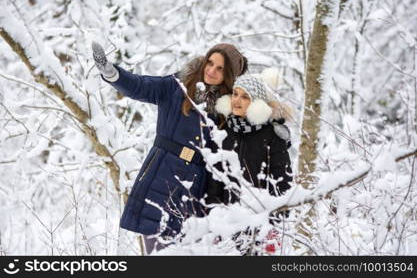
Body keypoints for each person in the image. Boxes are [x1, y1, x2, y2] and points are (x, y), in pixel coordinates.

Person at [92, 42, 248, 254]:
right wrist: (113, 74)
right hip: (160, 177)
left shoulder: (229, 108)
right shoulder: (177, 85)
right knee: (158, 252)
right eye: (210, 63)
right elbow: (141, 85)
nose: (211, 70)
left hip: (196, 190)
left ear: (229, 75)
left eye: (220, 68)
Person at [205, 70, 293, 255]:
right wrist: (213, 215)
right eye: (235, 94)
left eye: (245, 97)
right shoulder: (225, 132)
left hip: (261, 221)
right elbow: (216, 179)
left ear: (257, 103)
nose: (237, 100)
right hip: (229, 220)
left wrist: (274, 225)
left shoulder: (271, 135)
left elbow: (282, 182)